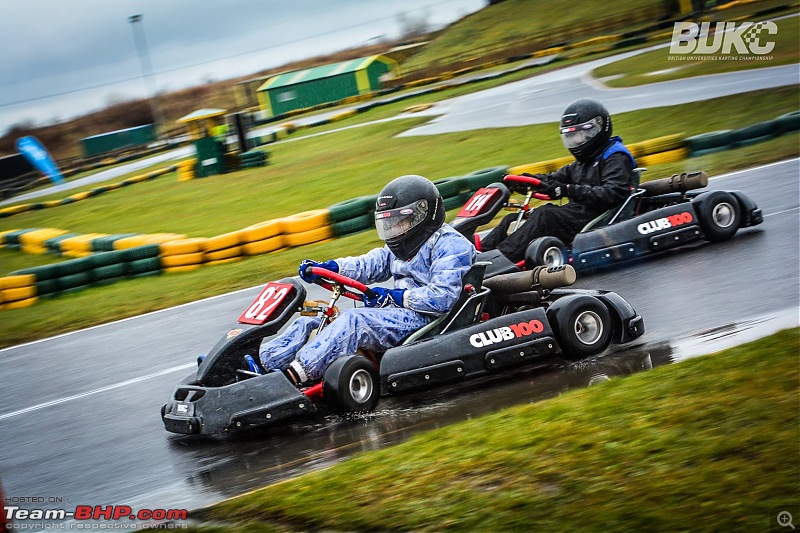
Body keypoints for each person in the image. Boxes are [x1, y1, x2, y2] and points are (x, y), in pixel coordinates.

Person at [256, 174, 476, 386]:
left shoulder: (452, 246)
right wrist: (331, 267)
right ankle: (265, 365)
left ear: (420, 215)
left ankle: (293, 378)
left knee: (354, 321)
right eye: (389, 224)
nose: (393, 229)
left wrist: (394, 298)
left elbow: (442, 298)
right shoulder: (401, 245)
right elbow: (369, 264)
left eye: (399, 222)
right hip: (398, 315)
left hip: (427, 320)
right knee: (316, 317)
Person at [480, 98, 637, 263]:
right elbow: (552, 180)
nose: (576, 141)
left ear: (598, 127)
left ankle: (499, 261)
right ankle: (479, 252)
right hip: (577, 215)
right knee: (512, 219)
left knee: (545, 214)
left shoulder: (615, 156)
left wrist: (567, 190)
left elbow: (614, 193)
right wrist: (524, 180)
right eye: (572, 135)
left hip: (600, 216)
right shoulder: (581, 163)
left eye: (581, 134)